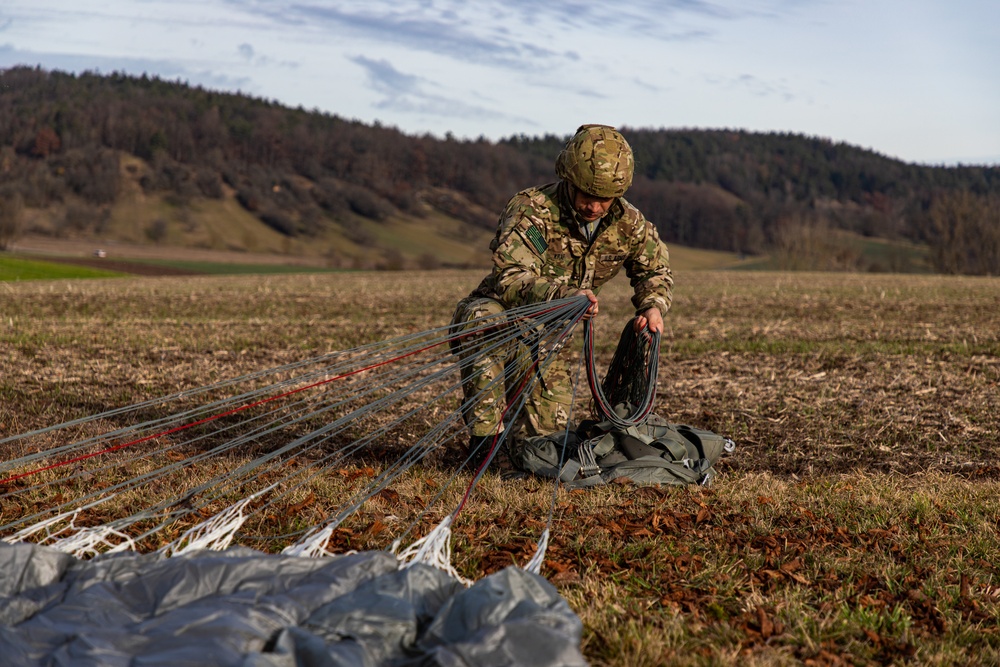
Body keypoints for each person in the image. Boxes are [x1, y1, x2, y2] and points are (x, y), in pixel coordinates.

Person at [451, 124, 673, 468]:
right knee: (484, 319)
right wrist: (565, 295)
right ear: (569, 178)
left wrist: (653, 306)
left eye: (605, 199)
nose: (595, 206)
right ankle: (483, 446)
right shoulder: (532, 208)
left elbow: (654, 270)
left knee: (542, 450)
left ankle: (511, 442)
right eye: (587, 194)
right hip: (502, 318)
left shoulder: (630, 224)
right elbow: (510, 276)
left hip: (547, 340)